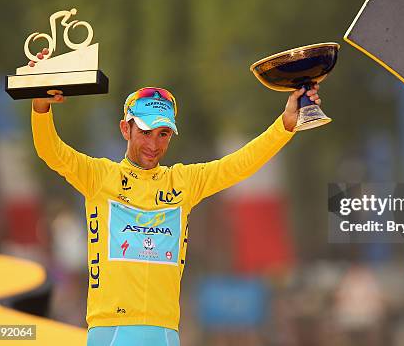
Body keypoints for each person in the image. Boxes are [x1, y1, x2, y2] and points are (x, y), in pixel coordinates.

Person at [31, 84, 322, 346]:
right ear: (125, 129)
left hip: (166, 332)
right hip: (112, 329)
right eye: (145, 132)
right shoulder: (98, 177)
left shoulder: (183, 182)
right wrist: (41, 107)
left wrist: (284, 126)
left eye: (163, 134)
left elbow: (239, 164)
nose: (154, 144)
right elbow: (50, 150)